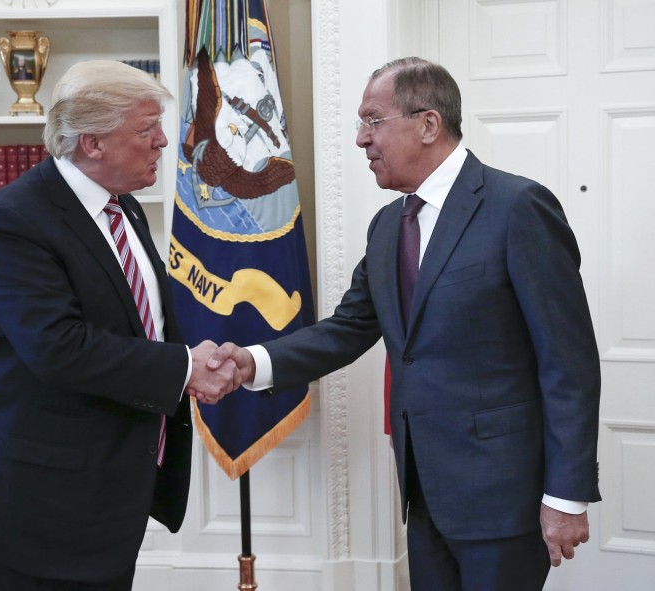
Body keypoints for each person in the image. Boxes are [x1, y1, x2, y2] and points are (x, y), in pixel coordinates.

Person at [204, 57, 601, 591]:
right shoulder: (389, 225)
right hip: (423, 490)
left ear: (428, 124)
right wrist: (254, 361)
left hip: (504, 496)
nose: (361, 140)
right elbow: (348, 329)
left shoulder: (517, 207)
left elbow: (568, 361)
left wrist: (567, 495)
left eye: (373, 120)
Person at [0, 60, 239, 590]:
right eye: (146, 129)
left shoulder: (124, 208)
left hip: (103, 499)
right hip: (28, 507)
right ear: (92, 144)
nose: (165, 141)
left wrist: (210, 357)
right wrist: (187, 368)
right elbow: (59, 347)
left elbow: (140, 321)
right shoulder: (14, 219)